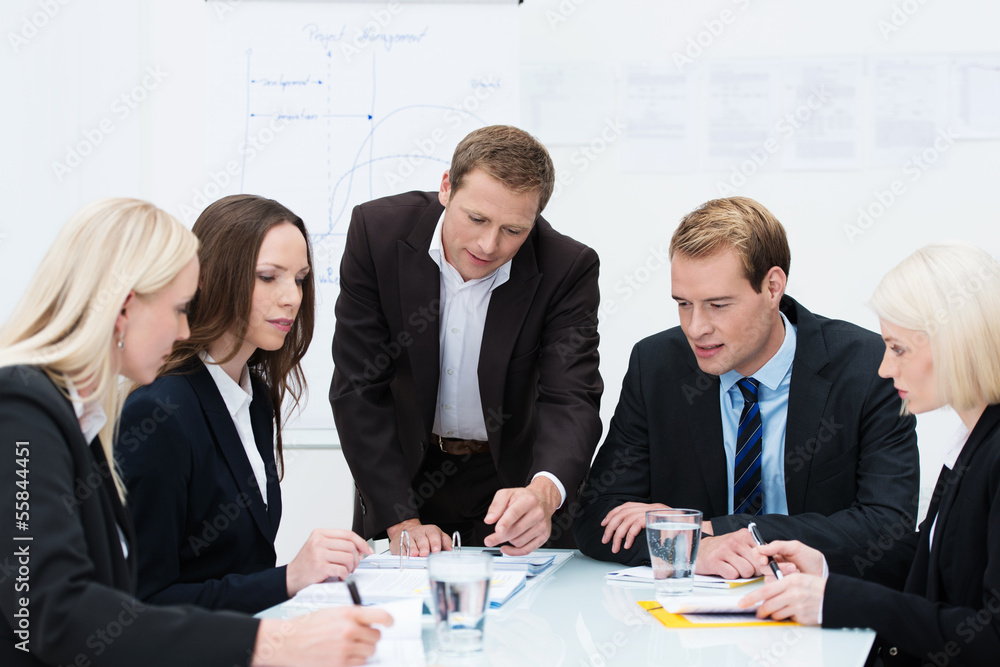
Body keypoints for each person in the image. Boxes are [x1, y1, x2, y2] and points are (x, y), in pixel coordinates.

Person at [0, 198, 390, 666]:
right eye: (181, 308)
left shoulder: (84, 420)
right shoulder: (20, 409)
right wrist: (270, 643)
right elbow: (50, 614)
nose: (186, 330)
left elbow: (114, 604)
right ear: (124, 307)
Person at [573, 196, 919, 582]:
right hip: (691, 622)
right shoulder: (656, 366)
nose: (695, 327)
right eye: (684, 303)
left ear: (772, 287)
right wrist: (692, 550)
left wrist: (713, 529)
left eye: (718, 305)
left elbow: (888, 527)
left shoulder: (867, 367)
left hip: (820, 608)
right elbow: (597, 516)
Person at [330, 125, 603, 556]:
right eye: (476, 218)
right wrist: (400, 517)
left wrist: (544, 493)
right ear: (446, 188)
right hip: (405, 478)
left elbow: (571, 398)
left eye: (513, 230)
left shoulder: (567, 268)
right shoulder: (377, 234)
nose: (487, 244)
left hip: (515, 484)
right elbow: (358, 388)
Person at [741, 241, 1000, 666]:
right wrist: (825, 567)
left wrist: (839, 600)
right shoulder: (973, 440)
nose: (884, 368)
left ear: (958, 342)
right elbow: (932, 558)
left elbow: (991, 639)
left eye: (898, 348)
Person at [116, 194, 371, 613]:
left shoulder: (254, 399)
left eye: (301, 278)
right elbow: (144, 602)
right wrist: (289, 578)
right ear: (216, 278)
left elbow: (239, 568)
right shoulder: (161, 412)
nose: (292, 297)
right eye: (269, 277)